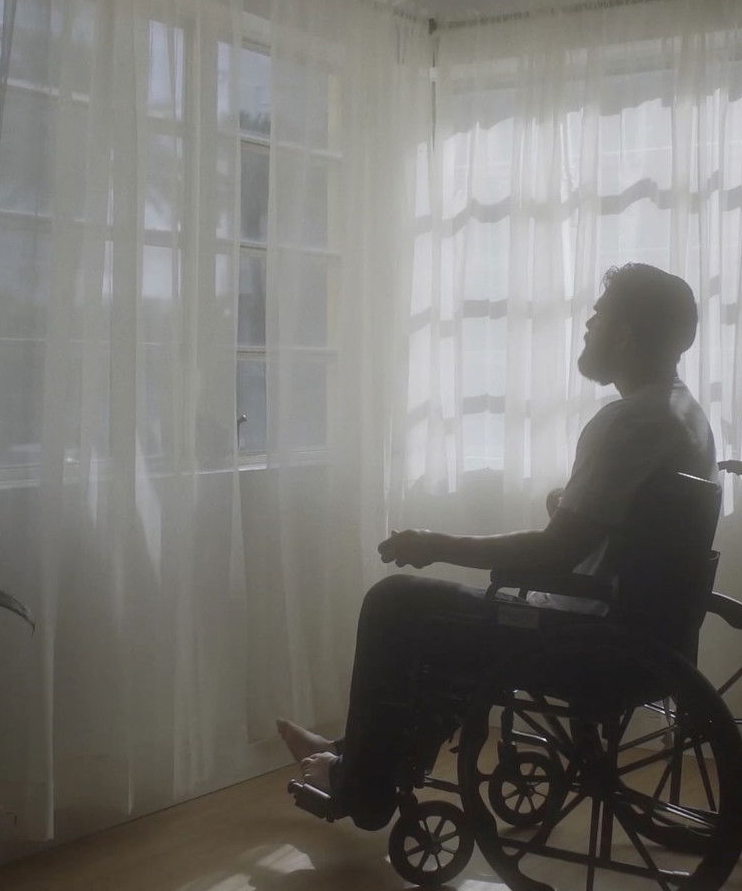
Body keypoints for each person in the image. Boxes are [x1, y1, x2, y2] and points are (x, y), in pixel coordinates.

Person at [277, 263, 715, 830]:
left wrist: (434, 543)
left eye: (600, 314)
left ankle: (358, 784)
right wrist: (571, 508)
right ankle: (350, 754)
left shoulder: (627, 424)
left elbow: (554, 553)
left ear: (627, 335)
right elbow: (619, 530)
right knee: (451, 623)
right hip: (647, 632)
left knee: (396, 602)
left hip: (592, 640)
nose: (588, 325)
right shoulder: (683, 413)